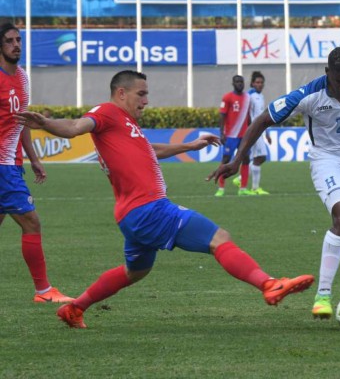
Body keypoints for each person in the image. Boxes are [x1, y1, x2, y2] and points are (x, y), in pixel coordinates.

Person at [16, 70, 314, 329]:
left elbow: (149, 149)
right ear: (121, 93)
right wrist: (46, 123)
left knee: (136, 271)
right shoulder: (107, 112)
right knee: (218, 238)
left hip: (131, 214)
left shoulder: (126, 124)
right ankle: (268, 284)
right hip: (150, 209)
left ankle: (74, 308)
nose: (146, 101)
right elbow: (74, 128)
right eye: (141, 94)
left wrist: (190, 145)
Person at [208, 47, 340, 319]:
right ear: (327, 72)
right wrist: (237, 160)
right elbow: (262, 121)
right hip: (327, 160)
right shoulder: (307, 94)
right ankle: (323, 295)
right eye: (339, 80)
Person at [0, 22, 73, 303]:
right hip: (3, 167)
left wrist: (34, 158)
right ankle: (43, 291)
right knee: (31, 222)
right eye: (9, 41)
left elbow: (24, 121)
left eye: (18, 40)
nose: (16, 45)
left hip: (12, 162)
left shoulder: (23, 77)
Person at [233, 71, 272, 195]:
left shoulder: (261, 96)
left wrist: (267, 133)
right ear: (252, 83)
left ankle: (242, 180)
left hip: (259, 130)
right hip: (252, 131)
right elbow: (246, 115)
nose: (259, 85)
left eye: (261, 82)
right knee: (260, 157)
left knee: (258, 158)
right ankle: (254, 188)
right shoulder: (249, 96)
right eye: (257, 82)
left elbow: (262, 116)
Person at [214, 75, 253, 197]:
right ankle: (221, 188)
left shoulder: (248, 98)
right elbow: (222, 115)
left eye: (241, 82)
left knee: (245, 159)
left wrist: (252, 131)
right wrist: (222, 133)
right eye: (237, 82)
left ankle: (243, 188)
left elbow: (249, 116)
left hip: (245, 135)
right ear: (233, 83)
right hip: (231, 136)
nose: (240, 84)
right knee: (225, 160)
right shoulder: (227, 97)